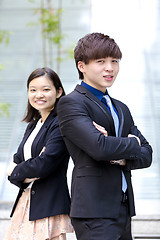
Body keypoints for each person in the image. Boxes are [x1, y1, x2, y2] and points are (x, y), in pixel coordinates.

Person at [57, 33, 152, 240]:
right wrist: (132, 142)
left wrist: (121, 154)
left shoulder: (121, 108)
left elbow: (147, 154)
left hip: (124, 208)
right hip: (94, 210)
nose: (110, 68)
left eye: (114, 61)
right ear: (82, 66)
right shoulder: (72, 103)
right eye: (101, 61)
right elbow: (99, 147)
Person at [5, 67, 73, 240]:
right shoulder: (33, 125)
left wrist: (17, 171)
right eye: (33, 90)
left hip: (48, 207)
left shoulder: (60, 124)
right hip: (26, 204)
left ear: (58, 92)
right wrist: (25, 172)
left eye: (45, 89)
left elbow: (44, 165)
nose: (38, 95)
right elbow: (19, 161)